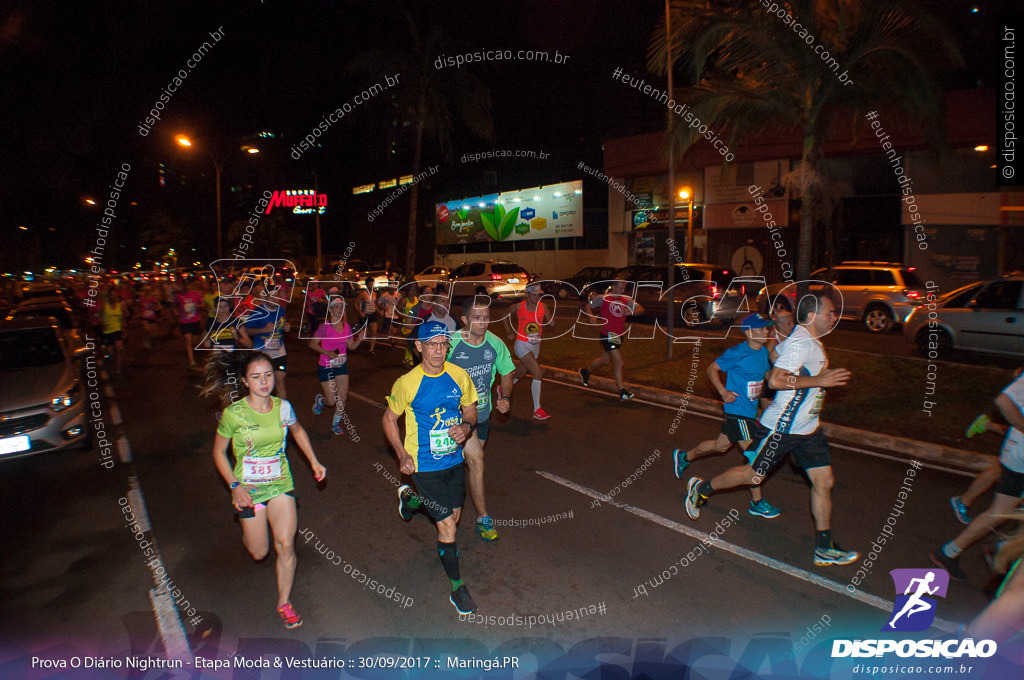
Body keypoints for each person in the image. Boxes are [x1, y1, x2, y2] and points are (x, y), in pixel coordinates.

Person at [684, 292, 859, 567]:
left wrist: (780, 351)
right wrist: (819, 379)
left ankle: (824, 547)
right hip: (781, 429)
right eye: (830, 313)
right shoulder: (802, 343)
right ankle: (702, 489)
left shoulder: (805, 340)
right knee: (752, 477)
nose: (834, 317)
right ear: (812, 315)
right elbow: (776, 380)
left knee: (823, 483)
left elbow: (776, 358)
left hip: (808, 430)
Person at [206, 351, 326, 629]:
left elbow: (296, 431)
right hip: (248, 490)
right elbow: (218, 453)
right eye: (256, 377)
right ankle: (248, 528)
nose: (264, 382)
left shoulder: (283, 407)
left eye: (268, 375)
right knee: (259, 552)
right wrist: (235, 487)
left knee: (285, 544)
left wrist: (314, 461)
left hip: (280, 483)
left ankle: (284, 603)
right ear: (245, 381)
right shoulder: (233, 414)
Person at [382, 321, 480, 614]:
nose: (438, 350)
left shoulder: (458, 376)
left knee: (455, 516)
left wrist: (466, 426)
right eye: (432, 344)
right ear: (419, 346)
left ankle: (410, 500)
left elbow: (470, 408)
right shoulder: (407, 383)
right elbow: (388, 420)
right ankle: (457, 588)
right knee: (447, 525)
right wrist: (401, 453)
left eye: (443, 344)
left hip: (453, 460)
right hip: (423, 464)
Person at [673, 313, 781, 519]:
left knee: (720, 446)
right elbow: (711, 368)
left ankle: (684, 456)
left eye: (768, 328)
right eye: (762, 328)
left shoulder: (762, 355)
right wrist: (722, 392)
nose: (767, 331)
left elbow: (765, 379)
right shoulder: (738, 352)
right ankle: (756, 502)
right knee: (755, 458)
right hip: (737, 412)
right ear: (749, 332)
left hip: (749, 414)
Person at [933, 368, 1024, 580]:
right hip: (1020, 458)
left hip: (1017, 455)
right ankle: (952, 552)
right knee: (1000, 511)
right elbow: (1003, 401)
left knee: (1004, 510)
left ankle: (999, 547)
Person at [448, 296, 515, 541]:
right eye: (477, 318)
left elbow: (507, 372)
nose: (483, 322)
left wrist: (505, 397)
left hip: (483, 416)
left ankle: (430, 489)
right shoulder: (451, 344)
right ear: (465, 320)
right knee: (476, 461)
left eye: (486, 317)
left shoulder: (495, 345)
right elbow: (429, 365)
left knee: (469, 463)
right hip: (457, 417)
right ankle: (483, 518)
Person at [579, 278, 642, 401]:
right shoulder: (603, 298)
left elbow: (640, 309)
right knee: (619, 362)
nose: (621, 290)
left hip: (618, 336)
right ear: (613, 287)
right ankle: (622, 391)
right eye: (619, 288)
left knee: (604, 360)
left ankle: (585, 371)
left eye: (623, 288)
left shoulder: (626, 300)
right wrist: (591, 316)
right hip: (607, 335)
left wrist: (632, 312)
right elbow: (587, 306)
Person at [309, 296, 365, 435]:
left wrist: (359, 340)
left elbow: (351, 346)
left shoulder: (346, 327)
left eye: (342, 307)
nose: (340, 310)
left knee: (343, 397)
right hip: (326, 366)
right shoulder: (324, 328)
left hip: (341, 366)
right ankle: (320, 401)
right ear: (330, 309)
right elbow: (312, 344)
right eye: (336, 307)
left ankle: (335, 424)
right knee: (331, 400)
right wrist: (327, 352)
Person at [506, 283, 553, 420]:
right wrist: (509, 331)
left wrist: (551, 323)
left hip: (535, 345)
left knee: (521, 372)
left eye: (539, 294)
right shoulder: (519, 306)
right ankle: (537, 409)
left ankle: (504, 388)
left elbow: (550, 320)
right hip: (522, 344)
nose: (537, 297)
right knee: (537, 371)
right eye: (534, 294)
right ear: (527, 294)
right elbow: (504, 315)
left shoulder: (543, 306)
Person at [244, 286, 291, 399]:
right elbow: (247, 331)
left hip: (279, 353)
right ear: (265, 297)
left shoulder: (281, 310)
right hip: (262, 354)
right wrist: (264, 330)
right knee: (264, 386)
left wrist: (286, 327)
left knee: (280, 383)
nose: (275, 299)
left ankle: (280, 414)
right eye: (272, 296)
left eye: (277, 296)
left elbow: (283, 323)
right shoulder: (257, 312)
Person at [177, 281, 206, 369]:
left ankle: (195, 353)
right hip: (184, 322)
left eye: (186, 285)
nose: (184, 287)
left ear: (189, 286)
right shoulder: (178, 296)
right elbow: (176, 306)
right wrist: (176, 312)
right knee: (188, 341)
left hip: (195, 321)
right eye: (182, 285)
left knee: (194, 340)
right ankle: (192, 361)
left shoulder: (195, 294)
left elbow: (202, 304)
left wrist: (199, 306)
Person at [101, 286, 126, 376]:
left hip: (117, 329)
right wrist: (103, 324)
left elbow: (123, 317)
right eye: (111, 295)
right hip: (108, 331)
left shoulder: (120, 305)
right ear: (109, 296)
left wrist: (123, 328)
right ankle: (107, 358)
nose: (113, 297)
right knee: (109, 352)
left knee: (119, 350)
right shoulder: (105, 305)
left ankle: (118, 370)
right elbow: (100, 316)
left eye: (115, 295)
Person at [356, 276, 379, 354]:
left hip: (372, 315)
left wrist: (379, 311)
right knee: (363, 333)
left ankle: (371, 349)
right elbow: (355, 303)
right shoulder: (363, 294)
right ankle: (357, 344)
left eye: (372, 284)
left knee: (374, 331)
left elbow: (375, 304)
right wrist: (360, 312)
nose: (371, 286)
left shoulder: (374, 293)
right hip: (364, 315)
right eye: (369, 284)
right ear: (366, 285)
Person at [137, 286, 161, 350]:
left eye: (148, 290)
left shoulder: (153, 298)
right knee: (147, 329)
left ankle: (148, 341)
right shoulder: (141, 298)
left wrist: (155, 307)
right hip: (143, 316)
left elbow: (157, 306)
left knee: (154, 334)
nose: (147, 292)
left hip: (152, 316)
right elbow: (138, 306)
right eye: (145, 290)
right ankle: (146, 342)